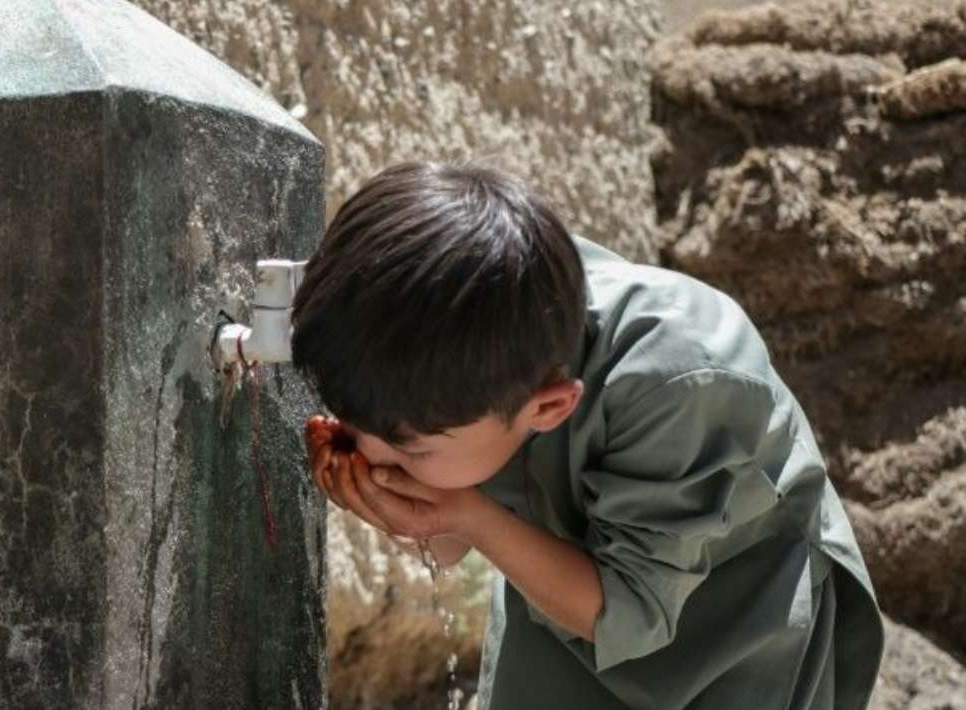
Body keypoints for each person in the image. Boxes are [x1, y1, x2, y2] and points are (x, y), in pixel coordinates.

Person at [289, 160, 883, 709]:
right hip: (560, 591)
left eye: (408, 448)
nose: (369, 453)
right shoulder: (463, 332)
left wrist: (468, 517)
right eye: (355, 424)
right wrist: (409, 509)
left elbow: (630, 611)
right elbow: (451, 541)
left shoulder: (679, 384)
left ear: (547, 409)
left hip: (733, 621)